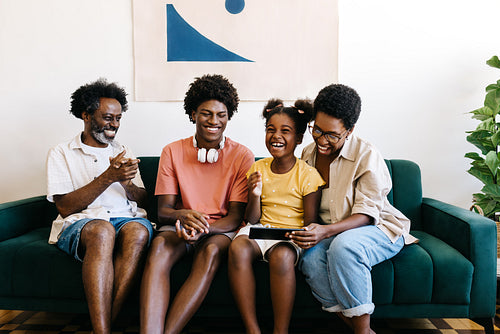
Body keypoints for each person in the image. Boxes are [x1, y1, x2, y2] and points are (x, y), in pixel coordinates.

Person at [288, 84, 417, 334]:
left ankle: (362, 330)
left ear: (349, 130)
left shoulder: (366, 154)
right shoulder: (308, 154)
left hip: (378, 227)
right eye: (317, 130)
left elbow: (367, 214)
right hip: (332, 231)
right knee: (311, 259)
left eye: (332, 135)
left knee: (344, 247)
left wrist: (325, 232)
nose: (322, 140)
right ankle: (362, 330)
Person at [140, 74, 254, 334]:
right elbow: (163, 211)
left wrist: (203, 230)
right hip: (180, 225)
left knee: (210, 252)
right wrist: (184, 219)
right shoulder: (172, 151)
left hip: (220, 229)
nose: (215, 121)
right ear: (193, 114)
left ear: (228, 116)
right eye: (206, 113)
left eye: (221, 115)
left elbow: (235, 217)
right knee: (158, 248)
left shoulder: (242, 155)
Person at [46, 78, 155, 334]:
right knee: (102, 231)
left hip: (126, 218)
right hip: (84, 223)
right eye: (107, 117)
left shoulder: (123, 150)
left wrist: (128, 185)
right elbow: (64, 207)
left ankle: (102, 328)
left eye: (118, 118)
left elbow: (143, 199)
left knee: (139, 231)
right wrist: (109, 177)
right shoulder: (61, 152)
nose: (114, 125)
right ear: (86, 115)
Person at [228, 99, 325, 334]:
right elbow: (251, 219)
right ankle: (253, 329)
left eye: (285, 131)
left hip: (290, 235)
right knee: (237, 248)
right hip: (261, 228)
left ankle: (280, 330)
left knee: (281, 256)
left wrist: (296, 237)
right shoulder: (257, 168)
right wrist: (254, 194)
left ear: (299, 138)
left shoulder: (308, 175)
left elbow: (310, 222)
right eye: (270, 129)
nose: (276, 136)